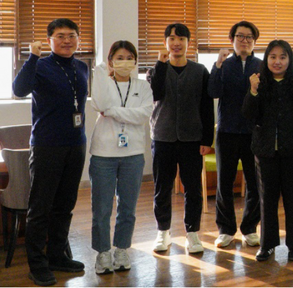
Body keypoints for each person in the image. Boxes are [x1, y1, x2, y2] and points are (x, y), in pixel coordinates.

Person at [13, 18, 89, 286]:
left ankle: (57, 255)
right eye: (60, 35)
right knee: (41, 207)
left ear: (78, 39)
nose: (67, 40)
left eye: (71, 35)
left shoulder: (82, 66)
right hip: (47, 145)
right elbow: (19, 90)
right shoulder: (40, 65)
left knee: (65, 205)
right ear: (49, 41)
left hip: (76, 143)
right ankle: (37, 263)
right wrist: (32, 57)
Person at [242, 40, 293, 262]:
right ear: (267, 60)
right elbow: (248, 115)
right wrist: (253, 91)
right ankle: (267, 245)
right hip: (265, 153)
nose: (277, 61)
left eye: (282, 57)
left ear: (290, 60)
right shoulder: (259, 83)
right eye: (273, 57)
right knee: (267, 201)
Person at [148, 23, 214, 254]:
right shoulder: (156, 69)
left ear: (188, 42)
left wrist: (207, 139)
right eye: (172, 38)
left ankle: (192, 233)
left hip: (191, 139)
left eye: (181, 38)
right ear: (165, 42)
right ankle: (163, 232)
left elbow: (207, 107)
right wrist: (160, 64)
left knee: (193, 189)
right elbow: (155, 93)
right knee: (162, 188)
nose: (176, 43)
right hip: (163, 137)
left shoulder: (200, 71)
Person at [89, 41, 153, 274]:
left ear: (135, 61)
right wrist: (100, 75)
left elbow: (144, 114)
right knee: (102, 207)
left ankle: (121, 249)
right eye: (119, 57)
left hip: (133, 154)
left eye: (129, 57)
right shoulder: (104, 82)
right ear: (110, 61)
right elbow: (99, 104)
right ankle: (103, 252)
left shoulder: (143, 86)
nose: (124, 62)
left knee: (128, 207)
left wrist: (113, 112)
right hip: (103, 153)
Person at [208, 21, 262, 248]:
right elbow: (213, 92)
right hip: (227, 132)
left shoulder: (262, 65)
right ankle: (226, 229)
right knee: (224, 183)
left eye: (249, 37)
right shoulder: (223, 65)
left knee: (255, 183)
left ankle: (250, 228)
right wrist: (217, 66)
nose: (245, 40)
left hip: (253, 134)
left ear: (254, 42)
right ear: (232, 40)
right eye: (240, 36)